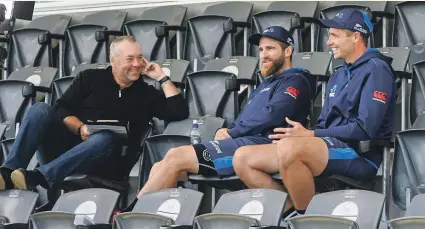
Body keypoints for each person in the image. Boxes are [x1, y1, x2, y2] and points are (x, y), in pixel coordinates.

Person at [233, 8, 397, 217]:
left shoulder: (377, 69)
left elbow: (365, 129)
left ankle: (309, 219)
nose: (329, 42)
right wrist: (305, 134)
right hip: (327, 146)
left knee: (290, 149)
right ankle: (292, 209)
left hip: (359, 154)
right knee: (242, 158)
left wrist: (309, 136)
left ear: (356, 37)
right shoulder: (338, 75)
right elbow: (322, 126)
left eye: (335, 35)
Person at [136, 26, 317, 199]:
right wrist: (228, 131)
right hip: (243, 142)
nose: (263, 55)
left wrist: (231, 132)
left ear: (287, 52)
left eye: (270, 49)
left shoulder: (296, 80)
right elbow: (248, 118)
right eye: (261, 50)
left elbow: (273, 114)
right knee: (160, 167)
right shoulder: (266, 84)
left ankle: (133, 214)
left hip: (262, 146)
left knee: (176, 156)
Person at [0, 35, 189, 190]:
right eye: (129, 59)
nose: (137, 64)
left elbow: (179, 111)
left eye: (140, 57)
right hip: (68, 149)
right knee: (39, 109)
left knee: (105, 137)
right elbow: (61, 108)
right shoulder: (89, 78)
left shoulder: (145, 93)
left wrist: (162, 78)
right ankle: (8, 173)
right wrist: (80, 128)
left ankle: (42, 177)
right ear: (113, 60)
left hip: (108, 161)